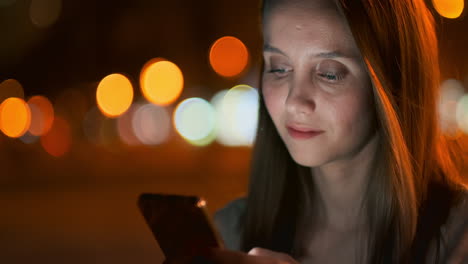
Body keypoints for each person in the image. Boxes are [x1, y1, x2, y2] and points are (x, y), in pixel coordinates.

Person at [171, 0, 468, 263]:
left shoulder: (458, 238)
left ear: (394, 79)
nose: (294, 101)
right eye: (278, 68)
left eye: (329, 73)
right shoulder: (234, 232)